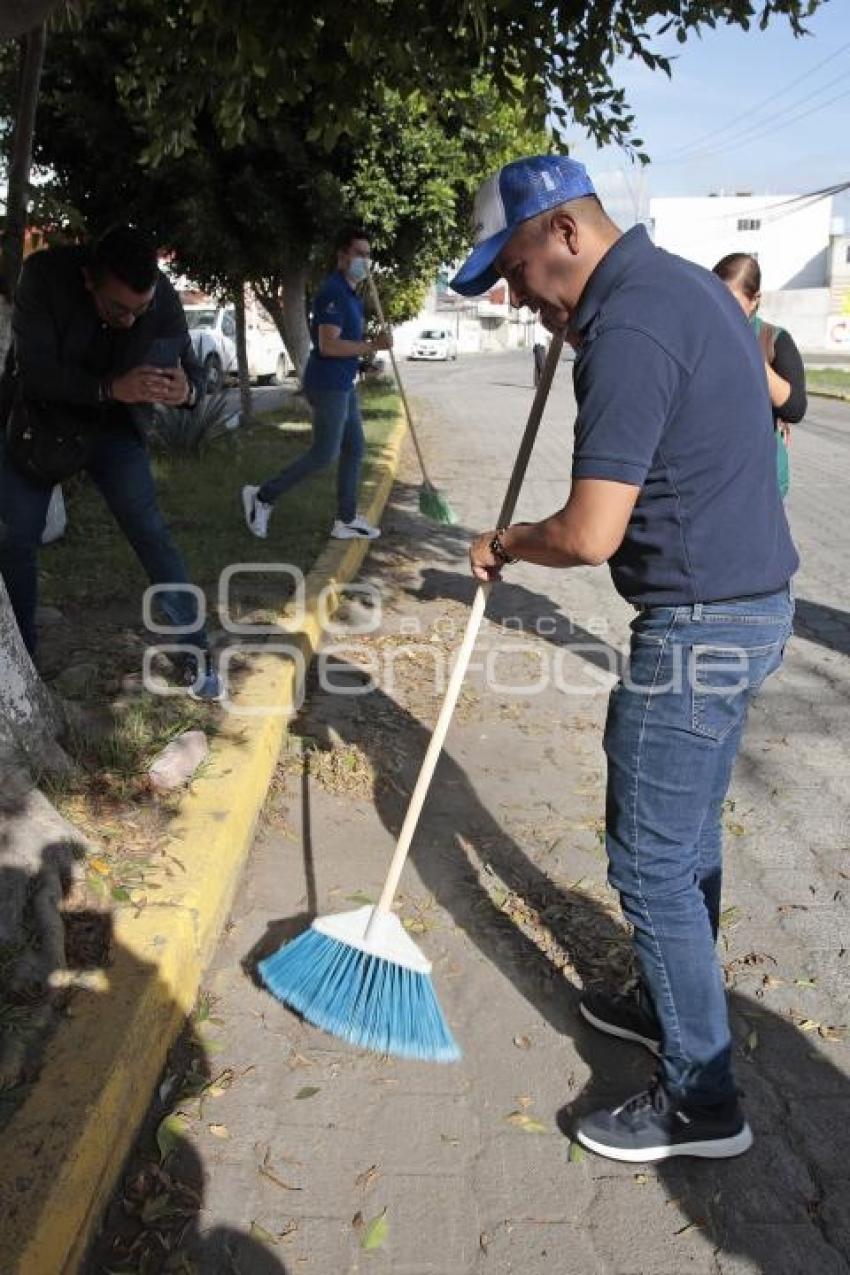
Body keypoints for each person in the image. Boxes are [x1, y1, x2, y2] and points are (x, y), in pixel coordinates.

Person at [453, 155, 797, 1163]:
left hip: (698, 625)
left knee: (648, 857)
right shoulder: (681, 287)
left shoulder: (632, 326)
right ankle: (664, 1004)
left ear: (563, 231)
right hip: (748, 607)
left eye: (514, 271)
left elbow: (593, 532)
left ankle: (702, 1099)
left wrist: (506, 542)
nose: (515, 299)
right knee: (683, 837)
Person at [0, 225, 220, 699]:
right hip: (43, 423)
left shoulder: (157, 298)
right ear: (88, 280)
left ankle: (197, 654)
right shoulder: (43, 277)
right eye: (117, 309)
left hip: (116, 429)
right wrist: (108, 388)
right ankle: (23, 673)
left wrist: (188, 392)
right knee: (16, 539)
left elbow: (191, 369)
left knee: (151, 532)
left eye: (140, 311)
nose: (130, 320)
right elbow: (32, 371)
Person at [242, 226, 392, 542]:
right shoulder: (333, 292)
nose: (364, 260)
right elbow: (328, 346)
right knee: (325, 454)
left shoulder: (350, 294)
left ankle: (346, 520)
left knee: (354, 447)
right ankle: (262, 497)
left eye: (368, 254)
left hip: (343, 382)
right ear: (342, 256)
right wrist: (372, 345)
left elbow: (344, 345)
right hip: (328, 385)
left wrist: (365, 362)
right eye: (358, 254)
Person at [713, 252, 806, 498]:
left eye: (732, 301)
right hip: (711, 473)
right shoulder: (704, 336)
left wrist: (750, 352)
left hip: (762, 478)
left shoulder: (772, 339)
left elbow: (794, 409)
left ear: (755, 299)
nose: (722, 308)